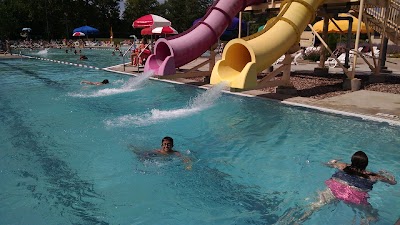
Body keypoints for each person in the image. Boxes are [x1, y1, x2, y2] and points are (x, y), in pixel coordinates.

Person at [299, 151, 396, 222]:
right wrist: (389, 175)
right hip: (354, 196)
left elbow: (327, 164)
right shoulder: (373, 176)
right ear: (366, 164)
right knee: (373, 217)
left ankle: (300, 220)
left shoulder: (343, 166)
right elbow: (392, 182)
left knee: (314, 207)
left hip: (336, 188)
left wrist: (333, 161)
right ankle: (365, 221)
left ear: (352, 161)